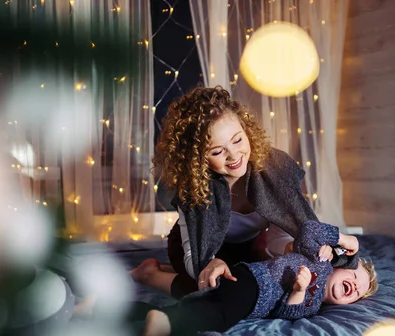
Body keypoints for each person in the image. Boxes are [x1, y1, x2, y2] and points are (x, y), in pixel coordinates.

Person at [130, 86, 359, 298]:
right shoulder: (194, 188)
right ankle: (150, 275)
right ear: (197, 159)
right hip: (196, 249)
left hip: (249, 245)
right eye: (218, 151)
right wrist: (212, 262)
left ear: (247, 131)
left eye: (238, 140)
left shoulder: (276, 170)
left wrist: (292, 246)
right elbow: (194, 254)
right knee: (216, 291)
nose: (234, 155)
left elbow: (283, 232)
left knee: (269, 279)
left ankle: (181, 270)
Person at [138, 220, 378, 336]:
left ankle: (137, 308)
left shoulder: (313, 306)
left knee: (205, 298)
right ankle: (169, 321)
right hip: (255, 280)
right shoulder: (320, 260)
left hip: (251, 304)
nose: (355, 287)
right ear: (340, 265)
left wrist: (298, 291)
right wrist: (345, 239)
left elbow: (287, 314)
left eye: (357, 292)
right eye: (355, 277)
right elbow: (308, 229)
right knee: (221, 314)